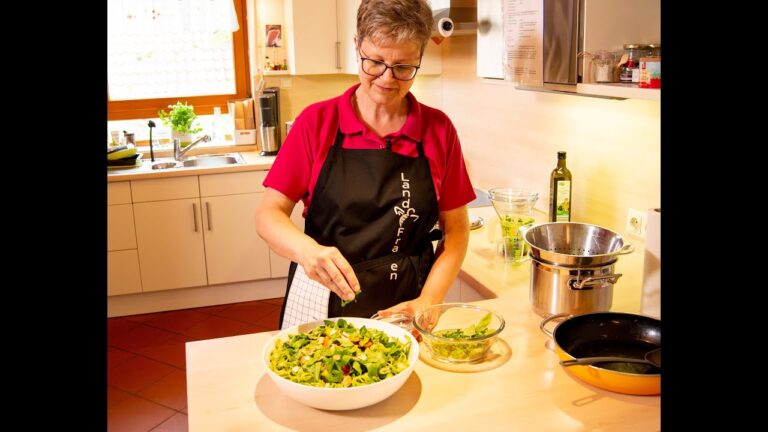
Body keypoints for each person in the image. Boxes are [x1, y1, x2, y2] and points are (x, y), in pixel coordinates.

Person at [255, 0, 476, 329]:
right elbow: (268, 214)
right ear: (357, 46)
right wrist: (307, 251)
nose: (387, 78)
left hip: (406, 303)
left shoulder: (438, 129)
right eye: (375, 62)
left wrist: (429, 301)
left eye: (403, 67)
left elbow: (456, 230)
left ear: (420, 58)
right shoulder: (317, 122)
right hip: (323, 297)